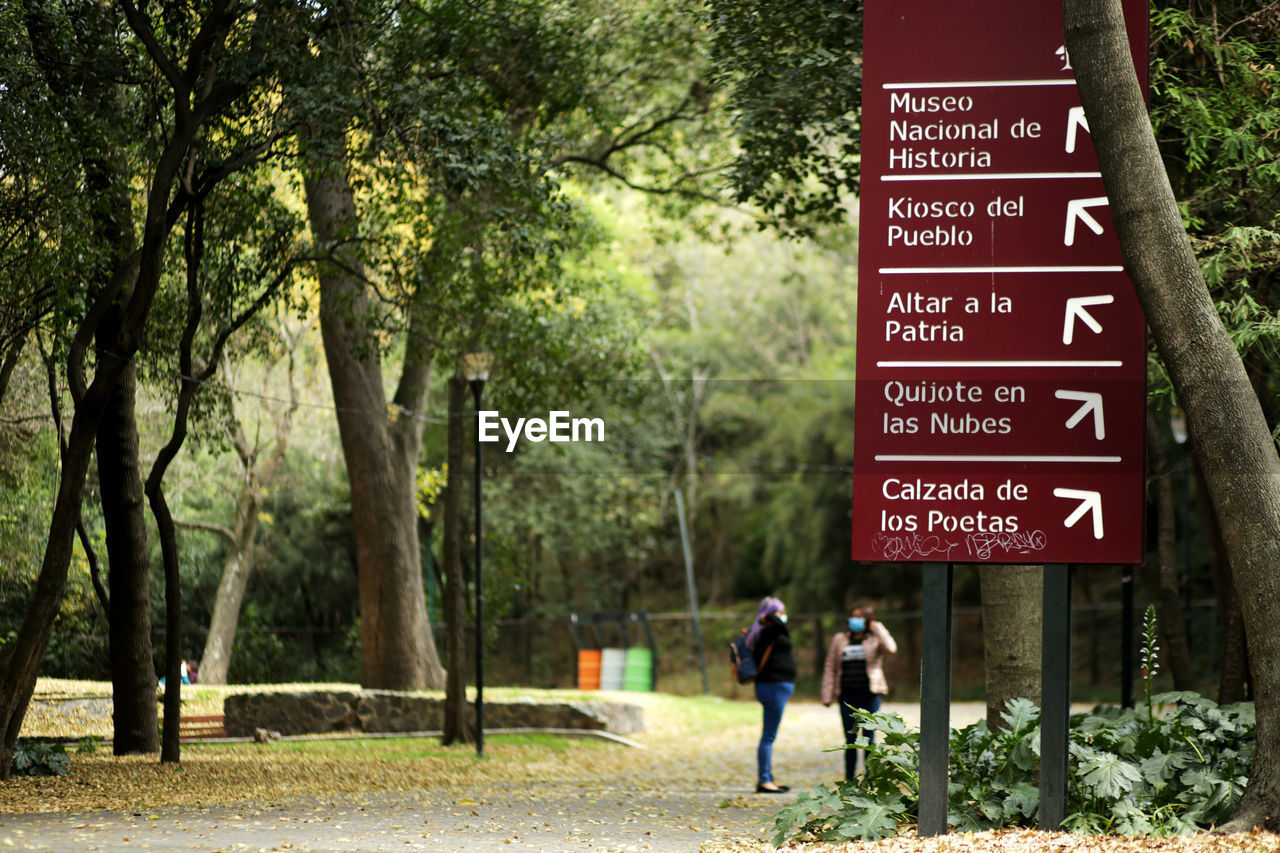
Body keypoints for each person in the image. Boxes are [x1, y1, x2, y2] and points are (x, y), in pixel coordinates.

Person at [821, 602, 898, 781]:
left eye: (860, 617)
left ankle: (870, 780)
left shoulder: (874, 639)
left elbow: (891, 648)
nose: (855, 620)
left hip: (870, 695)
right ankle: (849, 780)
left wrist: (877, 627)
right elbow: (830, 667)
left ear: (868, 620)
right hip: (847, 696)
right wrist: (827, 694)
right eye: (853, 616)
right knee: (850, 741)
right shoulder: (840, 639)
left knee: (870, 740)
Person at [748, 596, 797, 793]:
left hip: (776, 687)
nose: (783, 616)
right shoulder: (768, 630)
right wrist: (771, 616)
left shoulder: (766, 631)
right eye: (780, 612)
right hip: (773, 686)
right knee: (768, 735)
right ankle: (764, 780)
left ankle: (768, 778)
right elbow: (781, 627)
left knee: (769, 734)